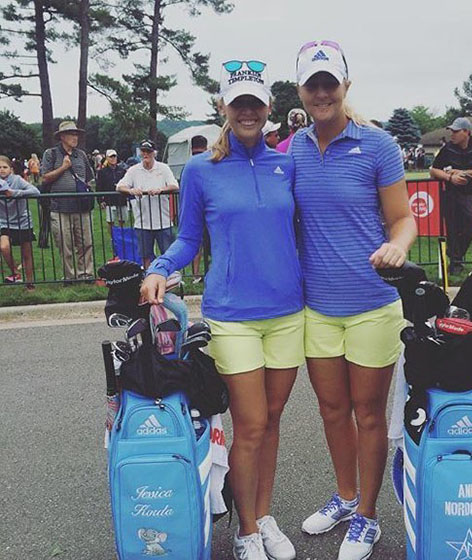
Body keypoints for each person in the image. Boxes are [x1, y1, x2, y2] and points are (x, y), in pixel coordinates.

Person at [141, 58, 304, 560]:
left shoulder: (286, 165)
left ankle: (264, 515)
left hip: (287, 313)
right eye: (238, 104)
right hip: (232, 315)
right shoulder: (200, 170)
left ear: (269, 107)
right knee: (250, 424)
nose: (247, 112)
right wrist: (160, 267)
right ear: (223, 108)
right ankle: (245, 529)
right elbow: (188, 237)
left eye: (255, 103)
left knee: (271, 421)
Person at [290, 40, 417, 560]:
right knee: (331, 410)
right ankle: (345, 497)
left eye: (329, 83)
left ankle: (367, 515)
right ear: (300, 91)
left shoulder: (378, 145)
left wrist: (398, 246)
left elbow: (403, 218)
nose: (321, 93)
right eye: (312, 85)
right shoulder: (293, 149)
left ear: (345, 85)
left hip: (372, 304)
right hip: (317, 308)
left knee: (368, 414)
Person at [430, 117, 472, 275]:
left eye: (456, 131)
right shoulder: (448, 148)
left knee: (470, 225)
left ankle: (455, 254)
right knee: (452, 228)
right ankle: (455, 262)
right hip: (450, 193)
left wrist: (463, 173)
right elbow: (433, 170)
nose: (452, 134)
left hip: (470, 193)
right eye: (451, 131)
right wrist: (450, 177)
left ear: (466, 132)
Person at [40, 120, 96, 284]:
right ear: (62, 137)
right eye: (71, 134)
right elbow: (45, 177)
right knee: (65, 244)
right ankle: (69, 276)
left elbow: (89, 177)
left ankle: (86, 274)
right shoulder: (51, 154)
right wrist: (63, 167)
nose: (75, 137)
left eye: (76, 134)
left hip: (81, 206)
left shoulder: (81, 155)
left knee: (86, 242)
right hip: (60, 207)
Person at [116, 139, 179, 270]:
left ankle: (170, 276)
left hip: (163, 221)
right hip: (142, 222)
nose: (145, 154)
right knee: (145, 255)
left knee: (168, 254)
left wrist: (161, 189)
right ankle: (148, 276)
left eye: (148, 152)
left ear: (154, 153)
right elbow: (120, 186)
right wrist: (131, 190)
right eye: (143, 151)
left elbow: (174, 185)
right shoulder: (134, 170)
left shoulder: (163, 168)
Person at [0, 155, 40, 289]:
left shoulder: (17, 180)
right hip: (4, 221)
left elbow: (35, 192)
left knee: (26, 253)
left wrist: (14, 193)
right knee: (4, 247)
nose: (2, 170)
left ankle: (29, 282)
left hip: (22, 220)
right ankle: (15, 272)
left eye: (5, 167)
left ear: (10, 169)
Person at [97, 149, 128, 248]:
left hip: (121, 199)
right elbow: (99, 187)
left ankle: (121, 237)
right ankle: (113, 238)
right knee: (110, 221)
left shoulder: (122, 170)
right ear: (107, 158)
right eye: (111, 157)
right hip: (109, 200)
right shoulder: (102, 172)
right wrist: (100, 200)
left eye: (114, 156)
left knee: (122, 220)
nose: (113, 158)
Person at [189, 135, 209, 283]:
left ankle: (195, 275)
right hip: (209, 211)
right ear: (206, 147)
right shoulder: (209, 164)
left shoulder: (189, 165)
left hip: (194, 211)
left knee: (196, 244)